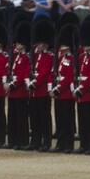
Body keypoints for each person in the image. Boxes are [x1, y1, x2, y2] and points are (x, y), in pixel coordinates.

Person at [26, 19, 55, 152]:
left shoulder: (49, 56)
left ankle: (46, 142)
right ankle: (36, 140)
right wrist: (28, 81)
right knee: (34, 117)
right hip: (32, 92)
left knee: (44, 117)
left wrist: (34, 83)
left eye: (41, 43)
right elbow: (29, 69)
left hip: (42, 91)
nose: (39, 45)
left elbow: (44, 73)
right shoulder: (34, 55)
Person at [73, 21, 90, 154]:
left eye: (88, 44)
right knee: (82, 121)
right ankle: (84, 144)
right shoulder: (82, 57)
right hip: (80, 94)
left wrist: (80, 90)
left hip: (88, 94)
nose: (85, 47)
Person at [50, 24, 77, 153]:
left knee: (68, 119)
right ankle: (61, 142)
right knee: (59, 119)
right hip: (58, 93)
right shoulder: (60, 58)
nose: (61, 47)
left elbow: (69, 77)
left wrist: (58, 88)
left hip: (66, 93)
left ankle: (68, 144)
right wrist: (52, 87)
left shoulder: (72, 59)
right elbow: (54, 73)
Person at [4, 21, 31, 150]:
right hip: (12, 91)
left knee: (21, 117)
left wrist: (12, 85)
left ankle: (22, 140)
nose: (17, 45)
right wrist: (6, 82)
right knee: (12, 116)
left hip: (20, 91)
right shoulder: (15, 56)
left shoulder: (26, 57)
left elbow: (22, 75)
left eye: (19, 43)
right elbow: (8, 69)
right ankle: (13, 140)